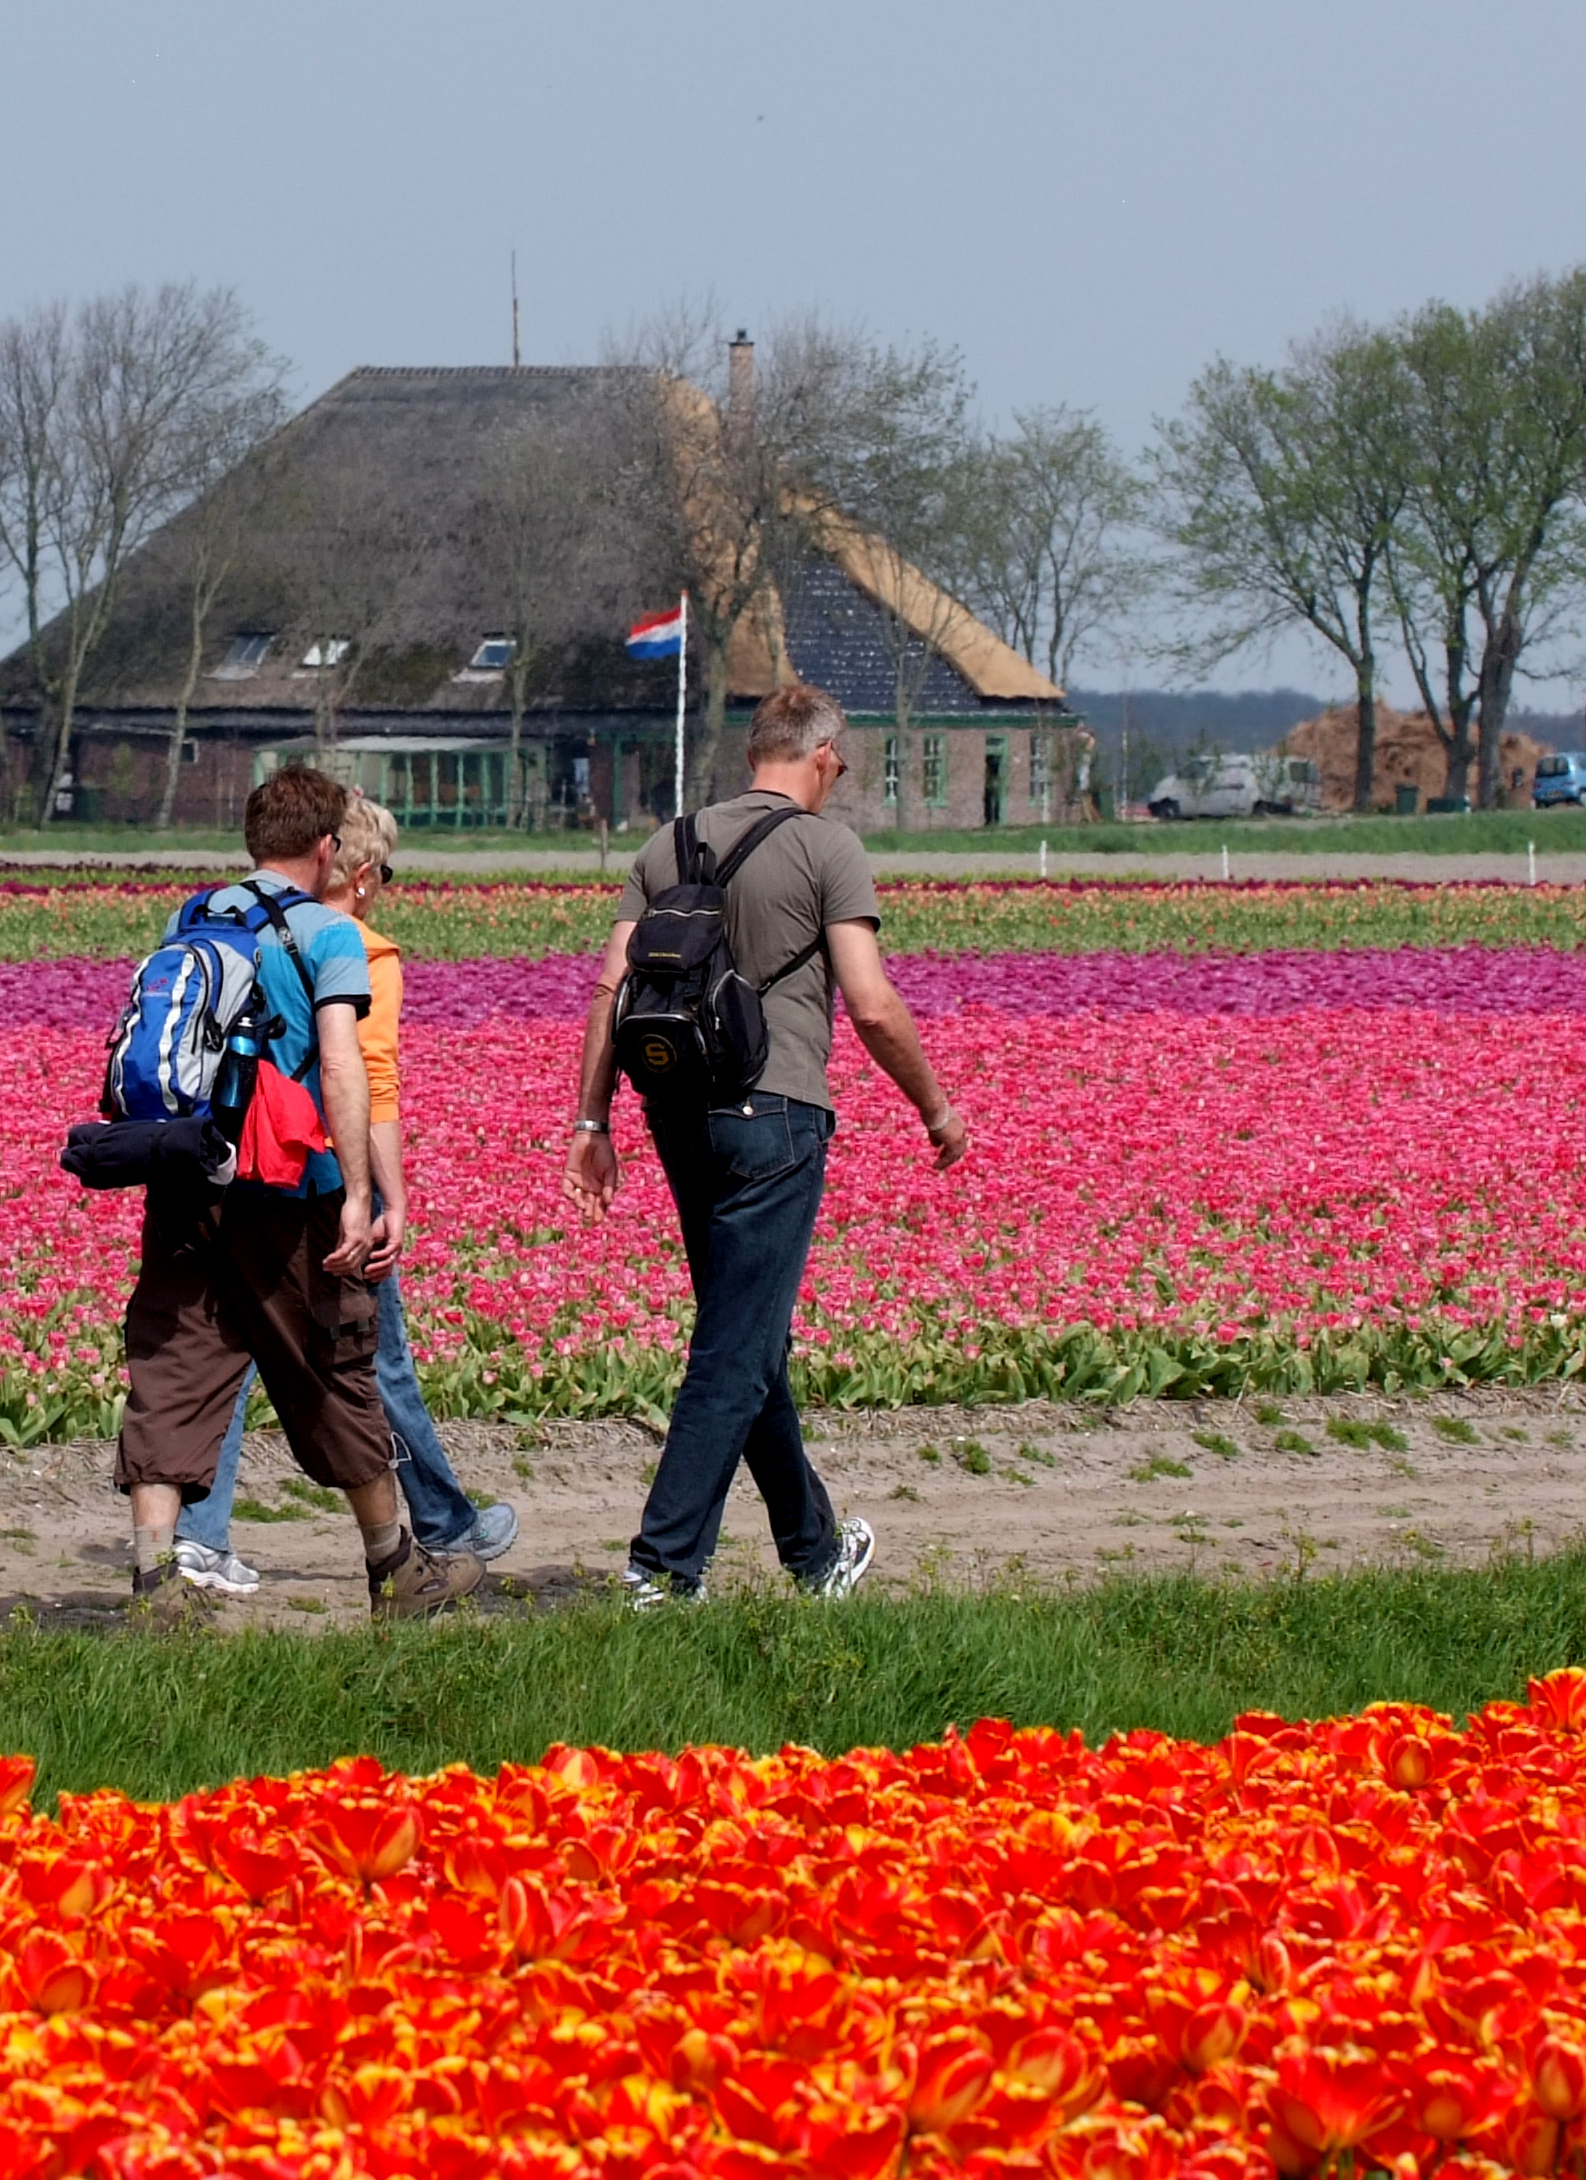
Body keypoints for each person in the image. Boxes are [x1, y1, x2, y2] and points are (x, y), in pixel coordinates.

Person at [563, 683, 970, 1606]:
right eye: (843, 765)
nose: (840, 777)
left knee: (749, 1338)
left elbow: (606, 993)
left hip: (676, 1113)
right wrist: (936, 1110)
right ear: (822, 756)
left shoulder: (667, 844)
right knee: (735, 1348)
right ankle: (662, 1568)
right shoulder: (828, 846)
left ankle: (814, 1552)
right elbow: (868, 1001)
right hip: (776, 1114)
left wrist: (592, 1125)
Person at [119, 766, 483, 1623]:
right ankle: (396, 1570)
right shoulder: (329, 933)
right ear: (328, 847)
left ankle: (152, 1579)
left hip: (184, 1176)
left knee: (174, 1363)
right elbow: (343, 1060)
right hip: (287, 1188)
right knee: (334, 1365)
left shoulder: (195, 916)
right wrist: (360, 1192)